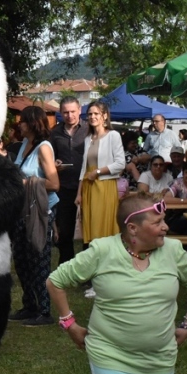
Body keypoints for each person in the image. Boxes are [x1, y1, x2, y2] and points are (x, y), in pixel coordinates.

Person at [47, 193, 187, 374]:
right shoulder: (102, 251)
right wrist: (69, 323)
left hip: (160, 358)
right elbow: (55, 282)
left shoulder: (172, 251)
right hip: (111, 357)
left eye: (164, 220)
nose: (165, 227)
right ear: (133, 228)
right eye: (157, 222)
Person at [9, 106, 59, 326]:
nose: (19, 124)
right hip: (23, 209)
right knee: (21, 259)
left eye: (23, 121)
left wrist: (25, 183)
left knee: (39, 258)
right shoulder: (23, 146)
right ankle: (30, 305)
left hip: (40, 209)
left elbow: (54, 183)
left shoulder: (44, 148)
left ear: (33, 123)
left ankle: (45, 311)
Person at [76, 101, 125, 298]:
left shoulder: (113, 136)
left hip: (104, 187)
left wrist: (97, 172)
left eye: (96, 113)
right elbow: (83, 169)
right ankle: (97, 279)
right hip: (88, 189)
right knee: (92, 235)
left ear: (105, 116)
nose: (93, 117)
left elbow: (120, 163)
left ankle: (105, 281)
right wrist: (79, 193)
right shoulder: (88, 138)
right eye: (90, 114)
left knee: (103, 234)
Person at [49, 96, 88, 265]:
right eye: (65, 112)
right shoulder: (55, 132)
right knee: (64, 231)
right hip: (63, 186)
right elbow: (49, 156)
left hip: (87, 185)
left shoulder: (89, 129)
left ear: (79, 110)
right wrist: (55, 164)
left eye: (73, 111)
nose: (69, 115)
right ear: (60, 113)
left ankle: (87, 267)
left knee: (89, 230)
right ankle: (67, 265)